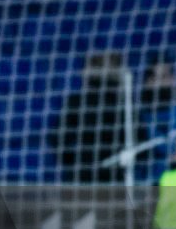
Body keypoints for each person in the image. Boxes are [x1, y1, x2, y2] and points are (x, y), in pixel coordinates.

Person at [53, 51, 128, 184]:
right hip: (113, 176)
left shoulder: (124, 103)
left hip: (84, 174)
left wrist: (74, 162)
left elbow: (58, 139)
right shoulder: (125, 102)